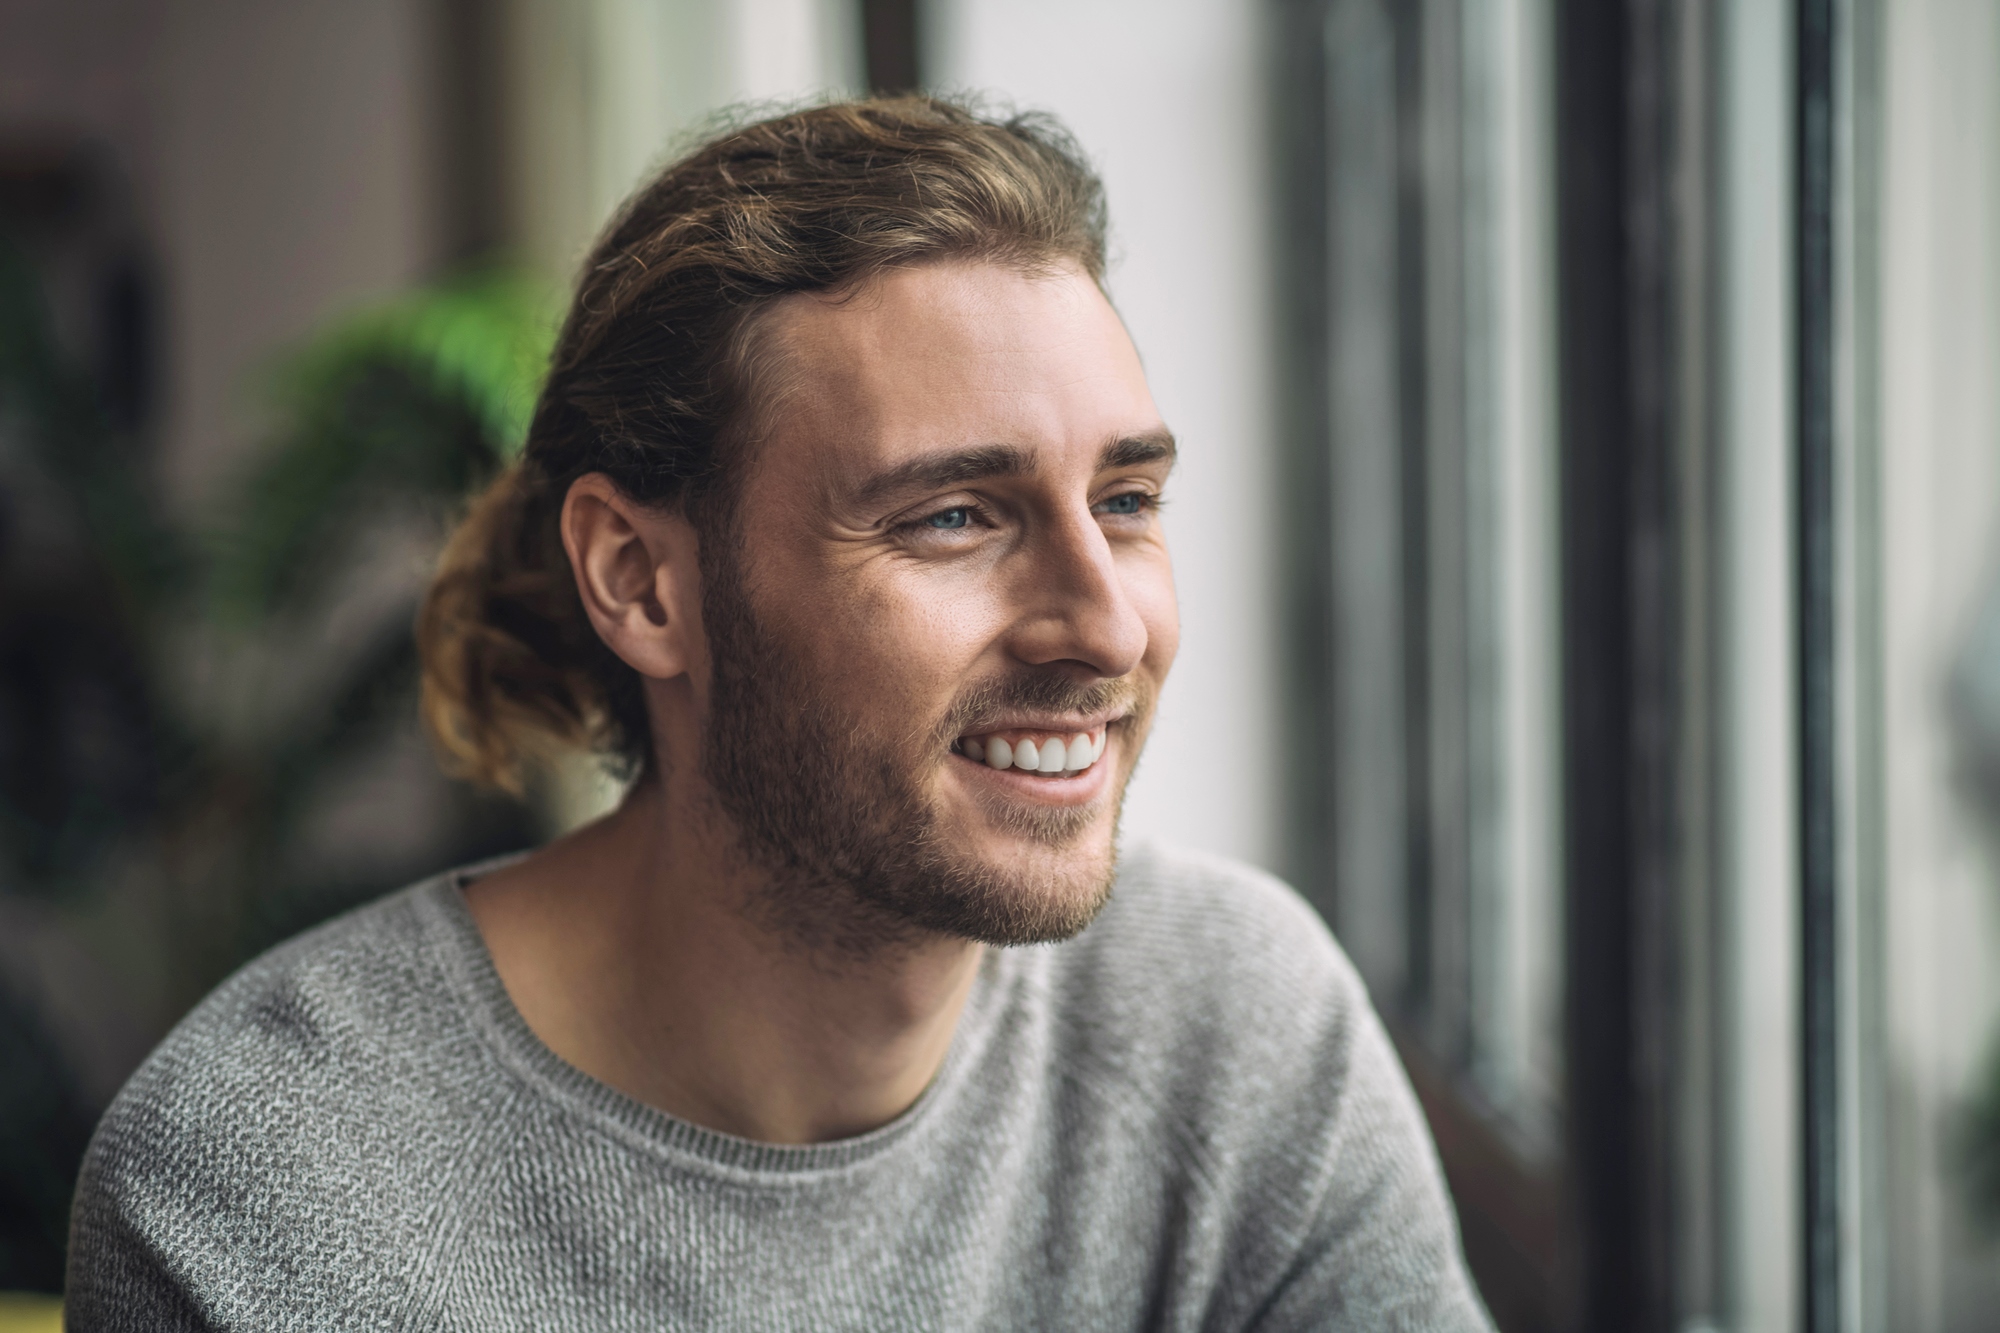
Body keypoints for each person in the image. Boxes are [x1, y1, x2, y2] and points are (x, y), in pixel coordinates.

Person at [66, 97, 1492, 1331]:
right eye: (951, 514)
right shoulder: (261, 1189)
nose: (1108, 623)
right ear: (643, 581)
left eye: (1124, 501)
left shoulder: (1238, 1031)